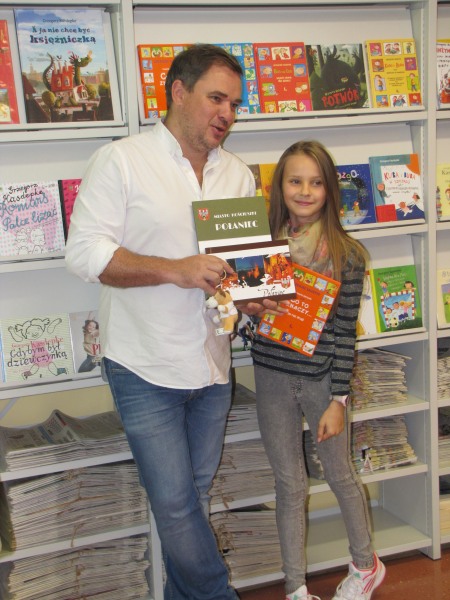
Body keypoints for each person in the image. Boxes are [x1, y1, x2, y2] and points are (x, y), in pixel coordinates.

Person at [65, 44, 281, 600]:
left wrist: (253, 296)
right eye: (217, 99)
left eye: (235, 104)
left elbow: (239, 269)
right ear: (178, 92)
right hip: (143, 362)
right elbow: (84, 254)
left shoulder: (237, 174)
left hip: (211, 361)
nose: (228, 114)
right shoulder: (122, 160)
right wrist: (174, 270)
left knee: (194, 496)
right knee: (176, 504)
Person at [250, 141, 386, 600]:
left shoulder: (347, 255)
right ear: (279, 187)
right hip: (271, 377)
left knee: (340, 474)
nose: (305, 191)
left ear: (330, 189)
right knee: (288, 485)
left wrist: (339, 400)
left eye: (315, 182)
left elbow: (345, 333)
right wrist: (239, 302)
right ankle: (295, 588)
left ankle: (365, 566)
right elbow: (251, 318)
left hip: (322, 382)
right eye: (295, 181)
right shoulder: (262, 248)